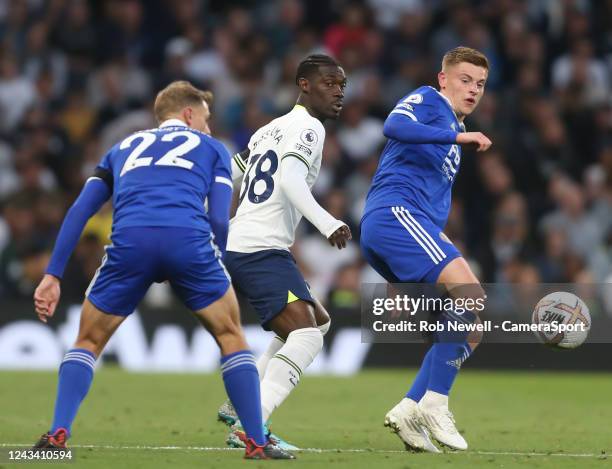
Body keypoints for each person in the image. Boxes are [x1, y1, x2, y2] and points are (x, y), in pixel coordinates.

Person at [31, 80, 294, 460]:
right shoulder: (212, 148)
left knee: (87, 342)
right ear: (189, 113)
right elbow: (218, 219)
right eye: (205, 118)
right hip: (187, 240)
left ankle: (56, 439)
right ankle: (256, 441)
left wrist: (53, 274)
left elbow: (79, 211)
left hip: (130, 242)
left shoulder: (121, 148)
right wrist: (228, 262)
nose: (208, 126)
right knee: (231, 335)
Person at [360, 47, 492, 452]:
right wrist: (456, 135)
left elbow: (429, 195)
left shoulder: (452, 132)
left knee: (471, 330)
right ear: (443, 79)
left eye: (481, 84)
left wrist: (438, 241)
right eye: (465, 80)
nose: (473, 90)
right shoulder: (430, 102)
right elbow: (393, 125)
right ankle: (437, 402)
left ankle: (410, 408)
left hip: (411, 226)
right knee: (472, 296)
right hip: (394, 216)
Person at [216, 54, 352, 449]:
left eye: (342, 84)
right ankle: (250, 426)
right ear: (304, 85)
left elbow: (229, 173)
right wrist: (328, 223)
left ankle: (240, 406)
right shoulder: (309, 128)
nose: (338, 91)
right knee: (308, 338)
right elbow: (291, 178)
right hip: (260, 248)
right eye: (328, 83)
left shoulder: (268, 129)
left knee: (319, 322)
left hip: (246, 243)